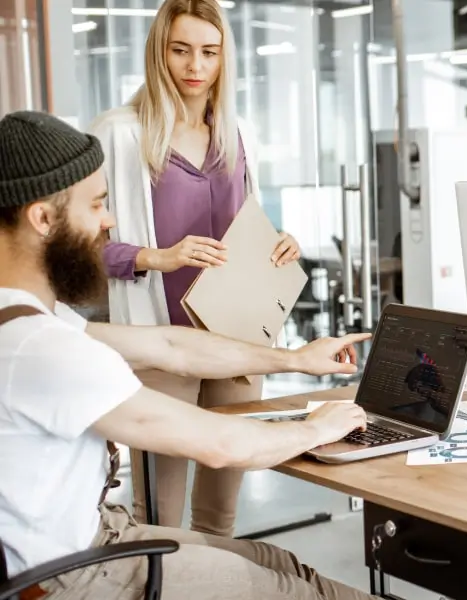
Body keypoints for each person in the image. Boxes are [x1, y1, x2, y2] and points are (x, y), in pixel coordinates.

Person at [0, 110, 377, 599]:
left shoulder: (27, 321)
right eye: (96, 206)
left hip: (90, 539)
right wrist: (318, 427)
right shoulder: (40, 349)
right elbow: (220, 445)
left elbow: (170, 344)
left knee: (276, 560)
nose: (109, 221)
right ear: (44, 218)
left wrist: (295, 360)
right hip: (72, 577)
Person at [89, 0, 301, 536]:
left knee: (221, 513)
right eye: (180, 50)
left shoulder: (238, 133)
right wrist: (156, 256)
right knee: (158, 514)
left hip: (235, 339)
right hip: (162, 345)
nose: (195, 66)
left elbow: (247, 226)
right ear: (159, 53)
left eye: (209, 52)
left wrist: (280, 242)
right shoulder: (119, 133)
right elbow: (81, 247)